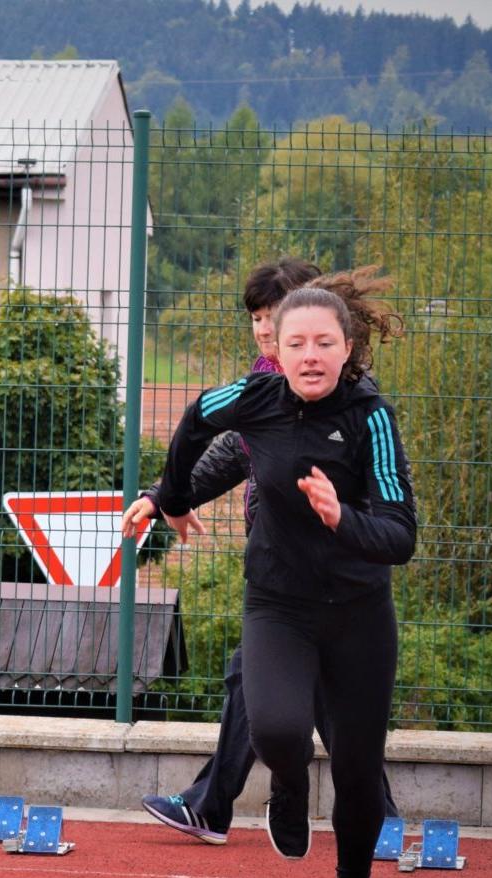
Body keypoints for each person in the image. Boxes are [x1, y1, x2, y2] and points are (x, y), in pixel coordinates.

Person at [156, 280, 414, 878]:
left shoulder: (370, 417)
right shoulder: (255, 399)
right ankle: (289, 792)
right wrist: (172, 495)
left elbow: (401, 532)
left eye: (324, 342)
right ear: (278, 347)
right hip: (279, 604)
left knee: (358, 769)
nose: (309, 354)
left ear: (347, 348)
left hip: (359, 613)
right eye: (295, 341)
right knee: (275, 727)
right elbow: (194, 419)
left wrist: (342, 517)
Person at [125, 260, 398, 843]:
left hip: (340, 577)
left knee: (297, 694)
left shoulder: (352, 398)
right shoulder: (265, 382)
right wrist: (165, 493)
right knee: (271, 690)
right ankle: (226, 802)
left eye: (272, 319)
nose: (264, 330)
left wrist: (343, 518)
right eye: (257, 320)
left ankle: (220, 804)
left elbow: (392, 514)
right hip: (278, 569)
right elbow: (231, 451)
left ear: (336, 337)